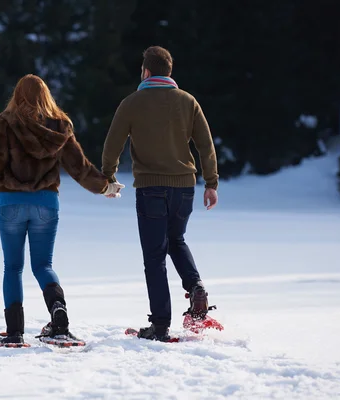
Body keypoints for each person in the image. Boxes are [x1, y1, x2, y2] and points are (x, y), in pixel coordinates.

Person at [0, 74, 124, 346]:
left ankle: (14, 334)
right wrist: (104, 187)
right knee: (43, 265)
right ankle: (59, 321)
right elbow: (79, 167)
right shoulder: (60, 126)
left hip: (10, 204)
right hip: (46, 204)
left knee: (13, 267)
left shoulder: (6, 122)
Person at [101, 46, 219, 341]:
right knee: (176, 240)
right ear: (169, 72)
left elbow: (112, 144)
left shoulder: (131, 103)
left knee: (155, 256)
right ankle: (196, 288)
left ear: (146, 72)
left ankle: (160, 324)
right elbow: (205, 145)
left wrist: (109, 177)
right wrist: (211, 183)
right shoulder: (188, 101)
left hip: (151, 188)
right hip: (185, 188)